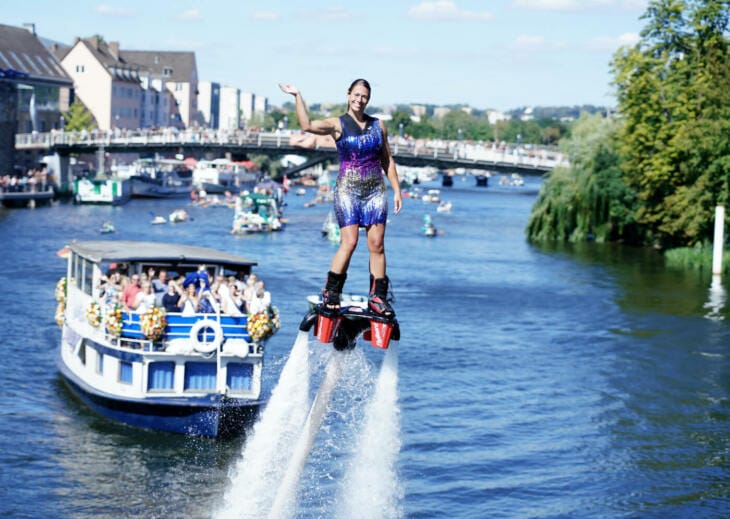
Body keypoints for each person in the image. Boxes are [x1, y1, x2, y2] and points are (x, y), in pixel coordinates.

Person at [279, 79, 402, 318]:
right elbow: (306, 125)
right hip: (348, 190)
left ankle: (378, 298)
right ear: (348, 95)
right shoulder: (337, 124)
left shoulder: (379, 126)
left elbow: (387, 160)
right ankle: (331, 293)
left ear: (369, 99)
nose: (360, 100)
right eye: (356, 95)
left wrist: (396, 189)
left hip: (375, 190)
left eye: (364, 96)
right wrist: (297, 96)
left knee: (377, 244)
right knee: (350, 242)